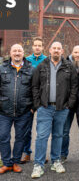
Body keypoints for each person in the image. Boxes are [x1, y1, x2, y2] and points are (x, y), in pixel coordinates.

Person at [31, 42, 78, 178]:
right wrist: (38, 104)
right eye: (54, 48)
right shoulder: (41, 66)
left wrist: (69, 104)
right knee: (41, 136)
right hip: (45, 107)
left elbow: (74, 87)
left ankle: (56, 161)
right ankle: (38, 165)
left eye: (59, 49)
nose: (56, 51)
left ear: (62, 51)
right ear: (50, 50)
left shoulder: (69, 67)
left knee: (58, 135)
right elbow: (34, 86)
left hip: (62, 108)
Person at [0, 44, 34, 174]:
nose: (17, 53)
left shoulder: (31, 69)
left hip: (24, 111)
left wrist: (33, 108)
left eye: (19, 51)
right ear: (10, 53)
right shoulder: (2, 68)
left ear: (23, 53)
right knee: (3, 137)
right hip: (4, 111)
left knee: (20, 138)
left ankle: (15, 162)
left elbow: (35, 89)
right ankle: (6, 163)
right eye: (15, 51)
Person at [21, 36, 47, 164]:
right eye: (35, 45)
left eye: (39, 45)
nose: (37, 47)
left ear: (43, 47)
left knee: (42, 129)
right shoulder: (26, 60)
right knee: (27, 128)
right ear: (32, 47)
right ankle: (26, 153)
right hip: (28, 99)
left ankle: (41, 153)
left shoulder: (47, 60)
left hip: (43, 99)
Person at [61, 45, 79, 163]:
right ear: (71, 52)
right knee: (65, 130)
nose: (77, 55)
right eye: (75, 52)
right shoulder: (64, 64)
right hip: (68, 103)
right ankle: (63, 154)